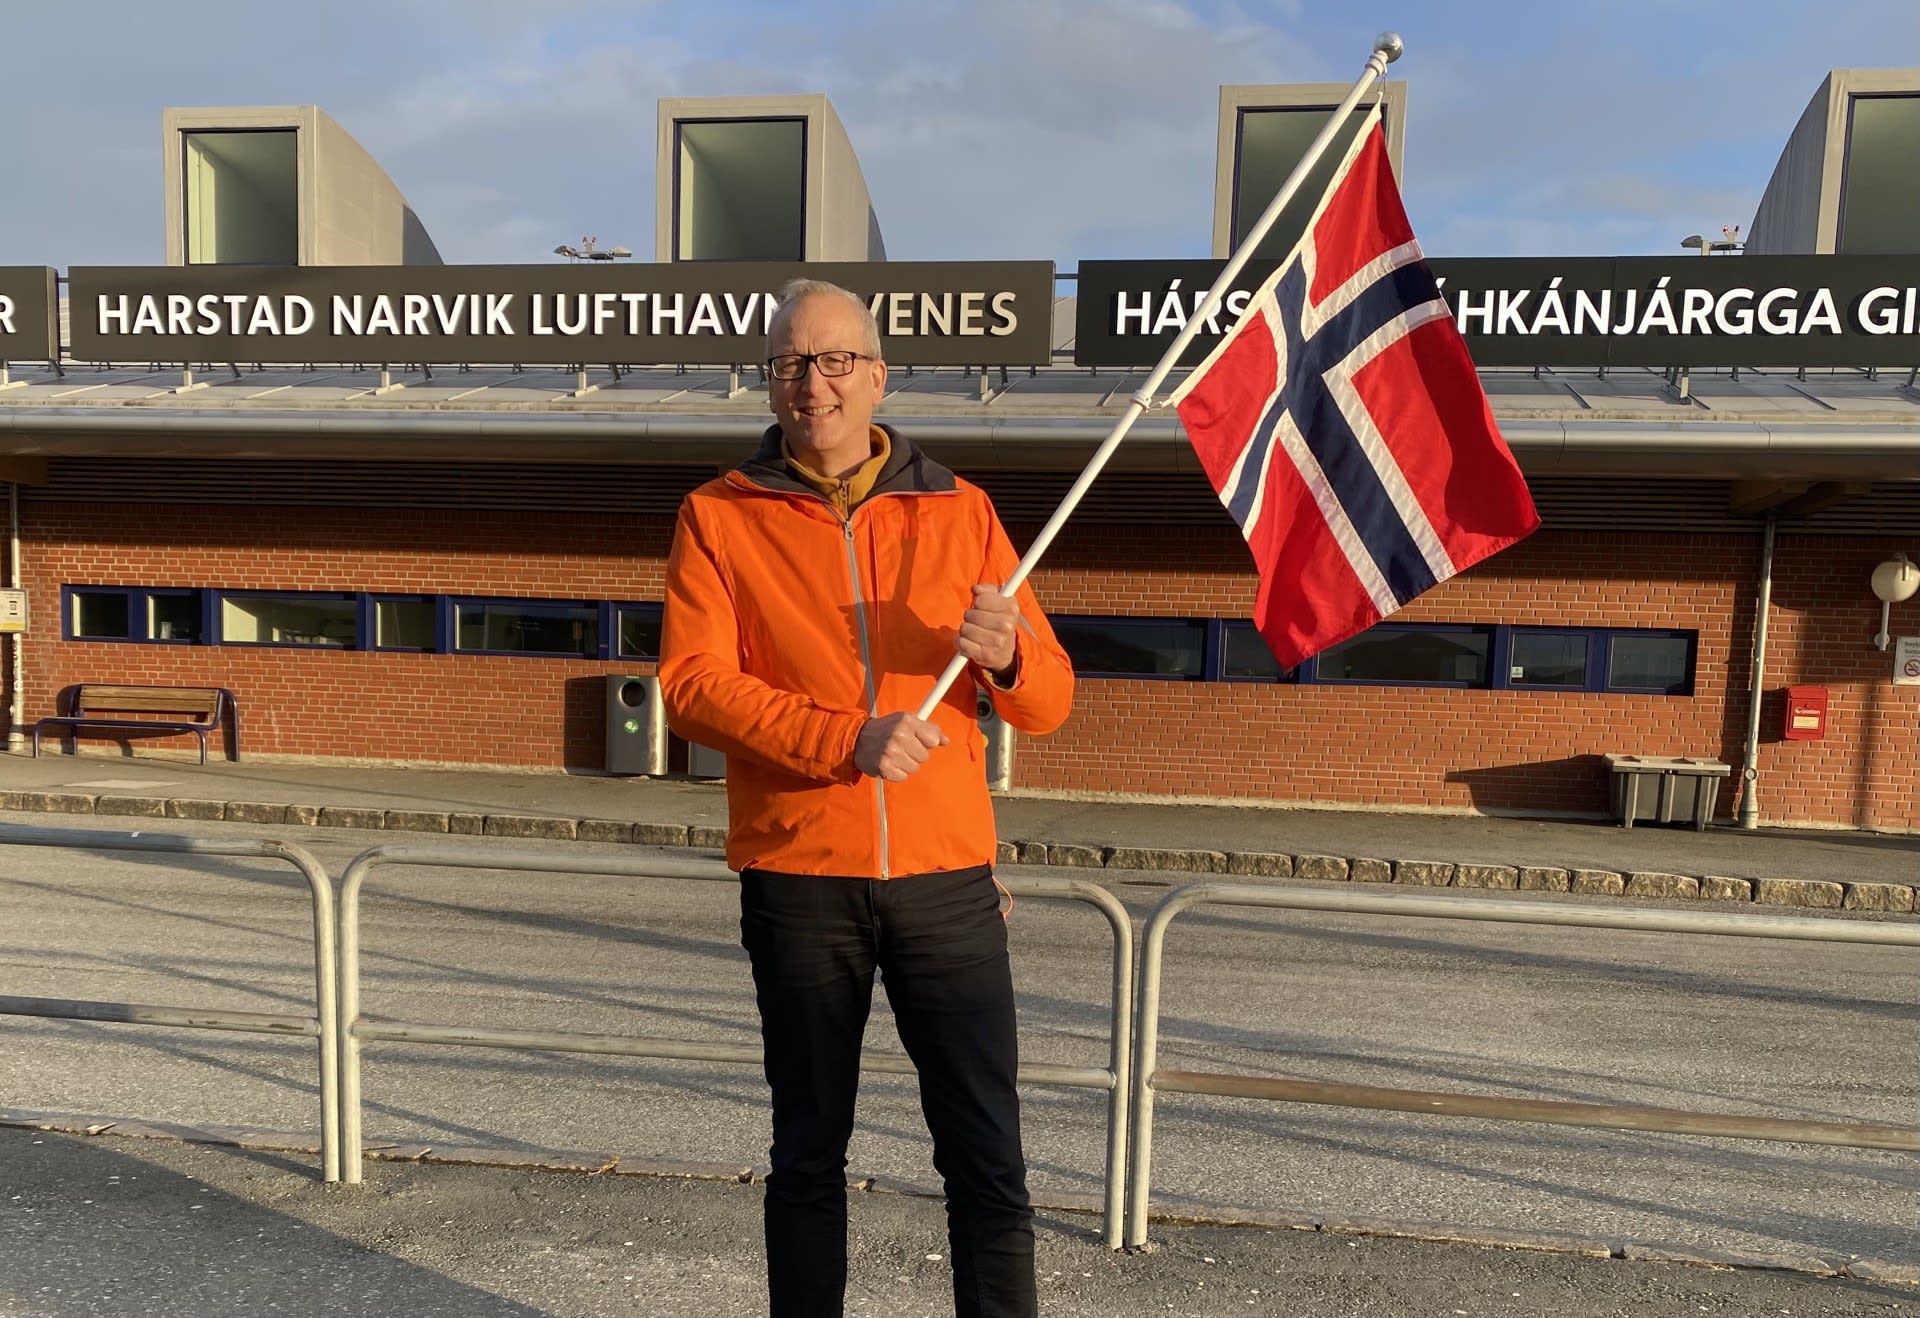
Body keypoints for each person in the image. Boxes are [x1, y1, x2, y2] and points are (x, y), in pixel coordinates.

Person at [659, 278, 1074, 1318]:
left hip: (947, 882)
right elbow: (692, 686)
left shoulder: (962, 510)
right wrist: (846, 739)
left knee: (987, 1157)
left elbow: (1050, 704)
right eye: (791, 363)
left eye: (836, 359)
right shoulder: (718, 514)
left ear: (879, 376)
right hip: (800, 879)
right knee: (807, 1155)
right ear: (771, 382)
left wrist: (1012, 656)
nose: (815, 382)